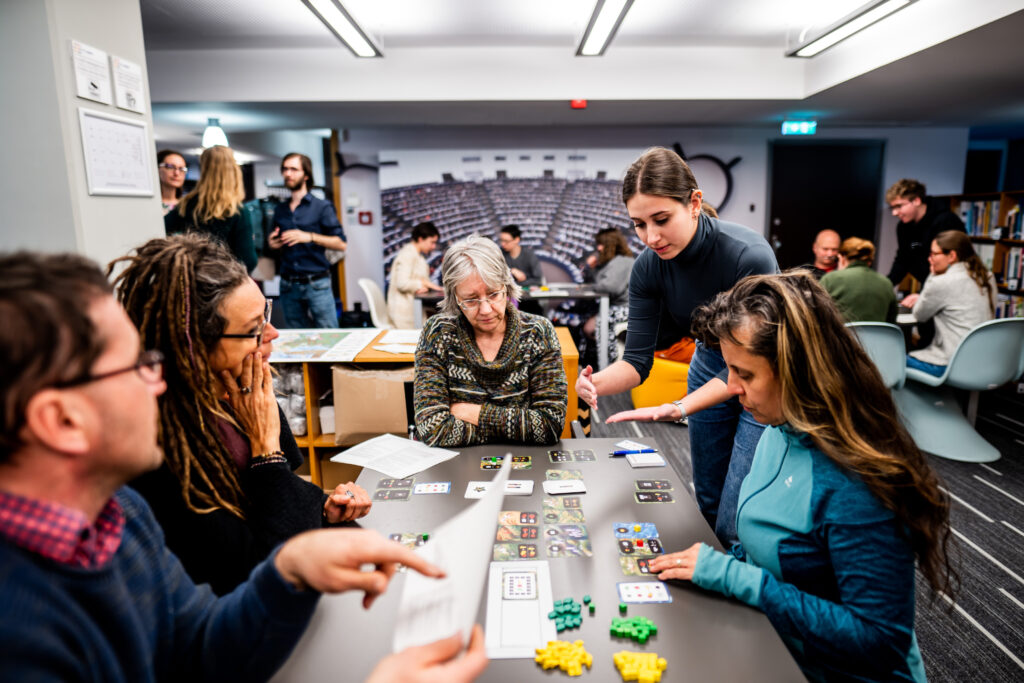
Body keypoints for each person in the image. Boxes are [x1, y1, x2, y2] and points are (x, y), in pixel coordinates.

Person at [0, 250, 489, 682]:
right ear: (61, 420)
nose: (157, 380)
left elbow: (199, 645)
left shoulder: (122, 516)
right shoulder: (19, 633)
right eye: (137, 366)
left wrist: (287, 571)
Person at [647, 271, 953, 682]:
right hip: (777, 647)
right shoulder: (777, 428)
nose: (731, 387)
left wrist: (735, 578)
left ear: (797, 370)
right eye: (729, 371)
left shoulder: (853, 483)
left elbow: (881, 641)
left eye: (745, 374)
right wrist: (725, 568)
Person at [111, 234, 373, 595]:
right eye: (253, 330)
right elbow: (262, 577)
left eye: (266, 315)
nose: (273, 333)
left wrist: (324, 510)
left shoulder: (242, 393)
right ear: (194, 346)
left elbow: (282, 490)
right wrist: (266, 450)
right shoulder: (162, 452)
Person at [580, 147, 778, 545]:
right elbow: (636, 362)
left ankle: (741, 576)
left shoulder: (748, 255)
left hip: (763, 372)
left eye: (661, 219)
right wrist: (594, 382)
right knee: (708, 496)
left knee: (740, 503)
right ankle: (713, 570)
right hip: (709, 358)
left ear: (694, 203)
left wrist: (681, 406)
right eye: (638, 224)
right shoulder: (648, 267)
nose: (650, 237)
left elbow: (751, 365)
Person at [414, 235, 567, 447]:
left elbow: (549, 425)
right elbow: (433, 429)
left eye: (494, 294)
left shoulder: (538, 332)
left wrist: (473, 413)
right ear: (455, 297)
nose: (485, 310)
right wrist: (517, 426)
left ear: (506, 286)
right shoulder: (438, 332)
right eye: (471, 300)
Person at [902, 230, 996, 376]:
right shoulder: (987, 277)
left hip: (952, 364)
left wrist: (933, 275)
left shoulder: (941, 282)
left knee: (895, 359)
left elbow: (919, 315)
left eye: (934, 254)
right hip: (984, 362)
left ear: (952, 256)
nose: (929, 258)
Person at [269, 152, 347, 328]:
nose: (288, 173)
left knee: (329, 333)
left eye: (293, 169)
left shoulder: (322, 207)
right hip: (288, 285)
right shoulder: (280, 209)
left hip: (317, 284)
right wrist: (273, 243)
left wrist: (309, 236)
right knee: (295, 336)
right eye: (285, 169)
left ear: (306, 175)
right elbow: (274, 242)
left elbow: (341, 243)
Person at [164, 145, 257, 272]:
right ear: (233, 171)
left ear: (204, 170)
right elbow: (248, 261)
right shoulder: (237, 211)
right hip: (223, 279)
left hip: (192, 275)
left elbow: (161, 229)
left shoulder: (186, 204)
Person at [886, 178, 966, 288]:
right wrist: (885, 285)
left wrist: (924, 294)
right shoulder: (903, 227)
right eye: (892, 208)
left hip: (950, 285)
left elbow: (950, 264)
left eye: (899, 206)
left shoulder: (946, 221)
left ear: (916, 201)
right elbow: (903, 258)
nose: (894, 213)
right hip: (929, 284)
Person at [583, 227, 634, 363]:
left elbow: (609, 287)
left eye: (602, 244)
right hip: (616, 307)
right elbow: (598, 282)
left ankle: (608, 363)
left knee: (600, 323)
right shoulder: (612, 262)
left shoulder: (622, 261)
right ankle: (598, 362)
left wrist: (594, 287)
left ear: (611, 244)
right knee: (588, 326)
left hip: (626, 309)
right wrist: (592, 268)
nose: (599, 248)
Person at [820, 237, 897, 323]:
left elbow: (817, 315)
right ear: (869, 261)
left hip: (842, 332)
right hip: (878, 332)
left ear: (842, 258)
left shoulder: (830, 279)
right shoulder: (886, 283)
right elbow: (891, 320)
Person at [387, 221, 443, 328]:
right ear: (421, 239)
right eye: (432, 242)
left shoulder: (416, 255)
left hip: (412, 308)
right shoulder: (407, 255)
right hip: (403, 315)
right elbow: (402, 283)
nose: (433, 247)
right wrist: (423, 283)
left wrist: (422, 286)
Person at [498, 224, 544, 316]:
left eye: (506, 241)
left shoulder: (529, 255)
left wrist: (517, 283)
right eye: (501, 240)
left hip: (529, 303)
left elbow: (538, 281)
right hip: (508, 303)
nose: (503, 244)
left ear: (517, 239)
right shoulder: (500, 254)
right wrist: (511, 271)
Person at [157, 149, 187, 216]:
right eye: (170, 167)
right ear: (157, 168)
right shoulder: (147, 204)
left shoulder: (187, 206)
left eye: (181, 169)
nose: (176, 173)